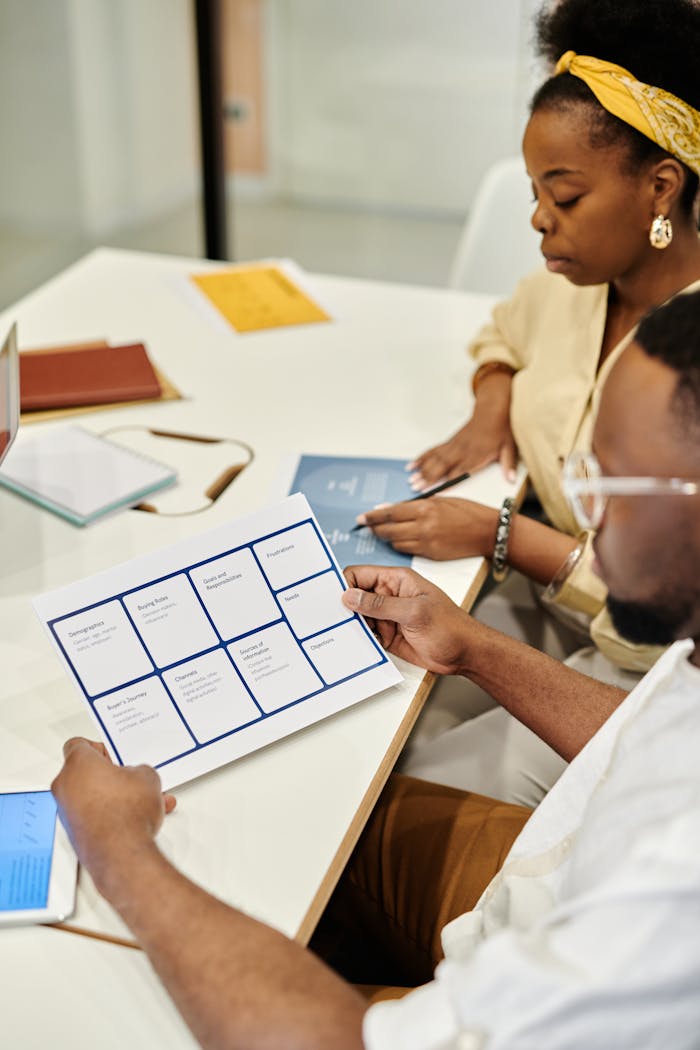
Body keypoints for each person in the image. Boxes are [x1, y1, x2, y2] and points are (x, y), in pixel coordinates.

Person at [52, 289, 700, 1047]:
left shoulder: (669, 898)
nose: (584, 520)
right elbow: (660, 736)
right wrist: (473, 647)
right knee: (317, 828)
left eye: (610, 485)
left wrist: (114, 846)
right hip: (546, 867)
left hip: (527, 948)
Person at [357, 0, 700, 805]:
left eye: (567, 196)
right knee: (377, 705)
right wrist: (492, 403)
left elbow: (662, 614)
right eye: (536, 190)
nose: (540, 220)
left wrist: (507, 534)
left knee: (409, 786)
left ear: (660, 186)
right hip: (555, 604)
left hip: (654, 672)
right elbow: (504, 332)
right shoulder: (578, 284)